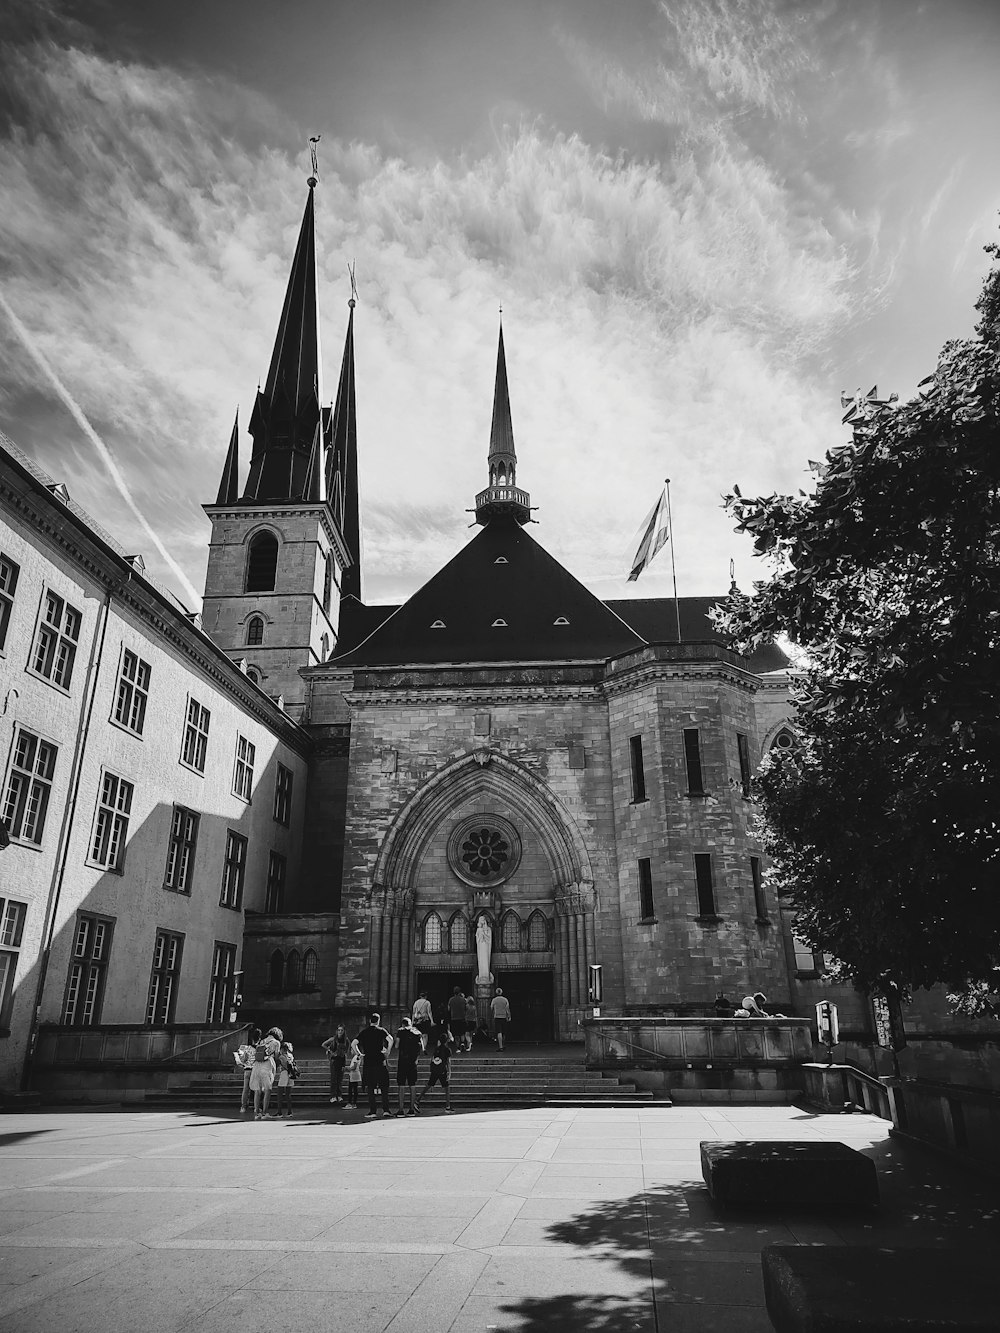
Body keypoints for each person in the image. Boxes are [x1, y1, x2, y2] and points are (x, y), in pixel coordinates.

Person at [357, 1011, 394, 1119]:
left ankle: (372, 1111)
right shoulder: (381, 1031)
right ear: (378, 1021)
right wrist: (387, 1051)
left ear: (370, 1021)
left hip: (368, 1062)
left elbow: (354, 1043)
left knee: (370, 1087)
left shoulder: (364, 1032)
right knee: (384, 1087)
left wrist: (360, 1054)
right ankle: (386, 1110)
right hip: (380, 1061)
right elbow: (390, 1039)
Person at [415, 1027, 454, 1114]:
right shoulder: (447, 1050)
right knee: (447, 1088)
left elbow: (432, 1059)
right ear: (446, 1040)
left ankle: (418, 1100)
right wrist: (449, 1072)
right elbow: (448, 1062)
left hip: (435, 1070)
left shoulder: (436, 1049)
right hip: (443, 1070)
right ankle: (448, 1106)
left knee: (429, 1085)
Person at [249, 1026, 282, 1119]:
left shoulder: (262, 1041)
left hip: (257, 1065)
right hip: (267, 1064)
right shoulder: (276, 1042)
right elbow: (276, 1056)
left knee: (257, 1090)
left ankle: (256, 1113)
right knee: (268, 1089)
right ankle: (265, 1113)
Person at [395, 1015, 423, 1116]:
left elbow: (397, 1045)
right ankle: (411, 1109)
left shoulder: (401, 1031)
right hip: (413, 1061)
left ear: (402, 1024)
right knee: (412, 1085)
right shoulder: (417, 1032)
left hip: (403, 1060)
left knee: (401, 1085)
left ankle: (401, 1109)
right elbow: (421, 1047)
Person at [235, 1026, 262, 1113]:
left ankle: (243, 1106)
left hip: (247, 1070)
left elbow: (243, 1059)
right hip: (256, 1070)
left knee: (245, 1089)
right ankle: (256, 1107)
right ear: (259, 1038)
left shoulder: (247, 1048)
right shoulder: (260, 1049)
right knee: (257, 1089)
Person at [322, 1025, 349, 1104]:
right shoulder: (333, 1039)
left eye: (342, 1030)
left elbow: (347, 1048)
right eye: (339, 1030)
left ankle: (339, 1095)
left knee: (340, 1079)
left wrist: (344, 1053)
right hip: (334, 1060)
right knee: (334, 1078)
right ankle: (333, 1095)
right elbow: (323, 1044)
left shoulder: (346, 1040)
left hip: (342, 1060)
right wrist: (330, 1051)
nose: (340, 1032)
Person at [273, 1040, 297, 1118]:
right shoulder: (291, 1056)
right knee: (288, 1094)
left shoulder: (282, 1057)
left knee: (280, 1093)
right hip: (291, 1075)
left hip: (284, 1073)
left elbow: (283, 1064)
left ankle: (279, 1112)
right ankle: (289, 1112)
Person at [490, 987, 511, 1051]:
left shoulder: (494, 1000)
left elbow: (491, 1008)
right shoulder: (505, 999)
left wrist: (493, 1014)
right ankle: (503, 1044)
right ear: (501, 992)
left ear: (496, 993)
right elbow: (507, 1009)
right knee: (504, 1032)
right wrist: (509, 1016)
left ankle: (500, 1046)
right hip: (504, 1017)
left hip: (497, 1017)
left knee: (499, 1032)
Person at [447, 987, 467, 1053]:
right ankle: (463, 1043)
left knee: (456, 1034)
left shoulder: (451, 1000)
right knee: (462, 1032)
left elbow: (448, 1009)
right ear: (459, 992)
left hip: (454, 1018)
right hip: (462, 1018)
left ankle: (458, 1047)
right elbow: (466, 1008)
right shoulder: (463, 1000)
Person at [346, 1037, 363, 1108]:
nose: (351, 1051)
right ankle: (353, 1103)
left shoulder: (356, 1057)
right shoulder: (357, 1057)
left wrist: (347, 1068)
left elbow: (354, 1067)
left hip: (354, 1074)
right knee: (354, 1089)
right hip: (354, 1074)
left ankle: (351, 1103)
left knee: (351, 1090)